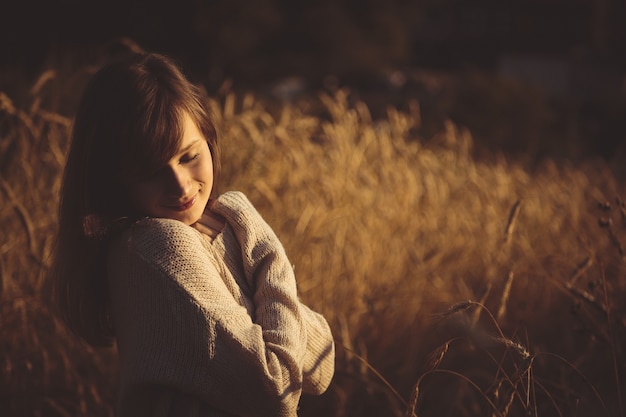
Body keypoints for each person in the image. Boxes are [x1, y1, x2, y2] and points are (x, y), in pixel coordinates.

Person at [50, 51, 335, 417]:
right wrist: (260, 242)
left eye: (188, 156)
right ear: (115, 179)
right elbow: (278, 390)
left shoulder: (201, 238)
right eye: (151, 171)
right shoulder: (156, 248)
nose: (181, 185)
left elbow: (321, 361)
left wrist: (234, 257)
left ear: (208, 137)